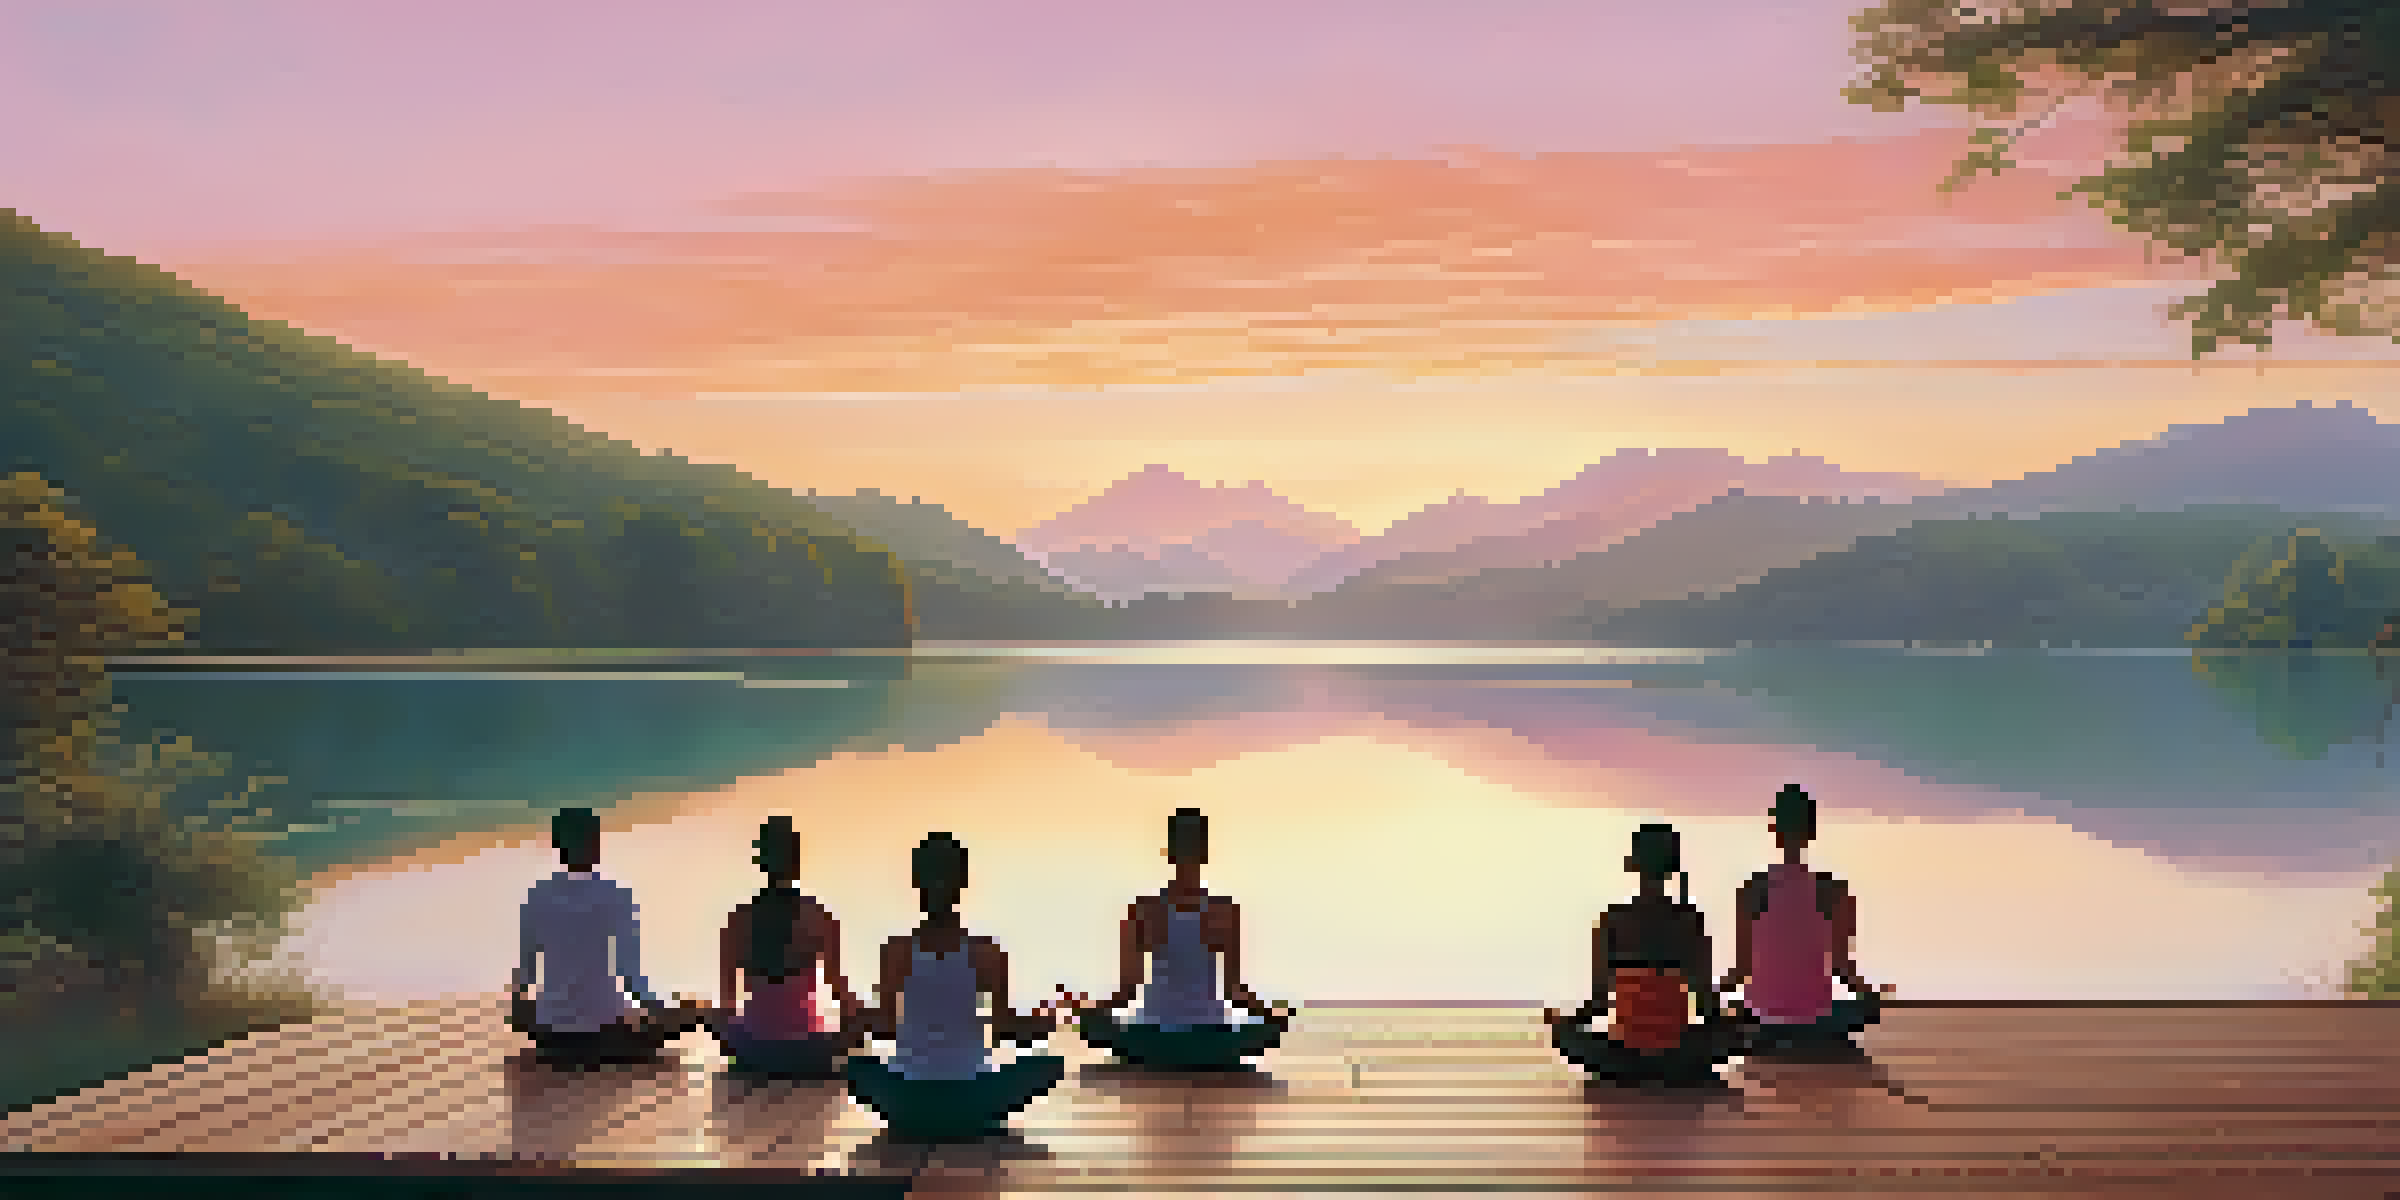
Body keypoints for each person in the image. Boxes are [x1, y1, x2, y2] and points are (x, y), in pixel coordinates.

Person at [841, 833, 1066, 1141]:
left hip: (908, 1100)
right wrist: (1045, 1020)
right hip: (974, 1099)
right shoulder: (988, 952)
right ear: (962, 884)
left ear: (916, 883)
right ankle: (965, 1117)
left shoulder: (896, 950)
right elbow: (1004, 1030)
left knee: (856, 1067)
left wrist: (854, 1019)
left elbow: (884, 1028)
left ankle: (924, 1118)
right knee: (1049, 1064)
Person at [1063, 808, 1293, 1071]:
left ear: (1169, 853)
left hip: (1151, 1038)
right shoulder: (1225, 911)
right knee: (1262, 1033)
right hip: (1211, 1038)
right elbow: (1235, 992)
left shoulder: (1142, 910)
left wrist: (1086, 1010)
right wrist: (1273, 1016)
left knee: (1097, 1030)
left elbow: (1126, 994)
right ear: (1204, 853)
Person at [1544, 822, 1744, 1087]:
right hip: (1679, 1055)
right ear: (1673, 868)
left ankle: (1629, 1068)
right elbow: (1705, 1003)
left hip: (1623, 1056)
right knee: (1737, 1030)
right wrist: (1732, 1020)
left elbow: (1599, 1003)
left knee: (1565, 1034)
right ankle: (1678, 1068)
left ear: (1632, 864)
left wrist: (1564, 1022)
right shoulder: (1689, 921)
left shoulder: (1611, 921)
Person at [511, 807, 707, 1064]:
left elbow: (525, 974)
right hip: (606, 1031)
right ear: (596, 844)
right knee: (690, 1012)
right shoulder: (616, 896)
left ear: (558, 846)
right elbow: (630, 975)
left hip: (552, 1034)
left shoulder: (537, 896)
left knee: (532, 1012)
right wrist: (662, 1011)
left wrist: (522, 1012)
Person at [1720, 784, 1888, 1055]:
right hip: (1818, 1019)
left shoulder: (1752, 889)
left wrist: (1711, 993)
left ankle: (1769, 1036)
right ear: (1811, 832)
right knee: (1861, 1010)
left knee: (1736, 1014)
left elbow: (1741, 970)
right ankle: (1816, 1037)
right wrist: (1870, 994)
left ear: (1774, 830)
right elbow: (1842, 968)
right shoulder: (1834, 890)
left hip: (1763, 1021)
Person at [708, 815, 862, 1077]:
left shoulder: (738, 920)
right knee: (858, 1030)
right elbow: (841, 992)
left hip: (753, 1048)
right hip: (809, 1048)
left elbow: (726, 1002)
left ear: (761, 862)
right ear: (796, 863)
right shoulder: (817, 916)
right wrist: (852, 1033)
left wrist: (732, 1041)